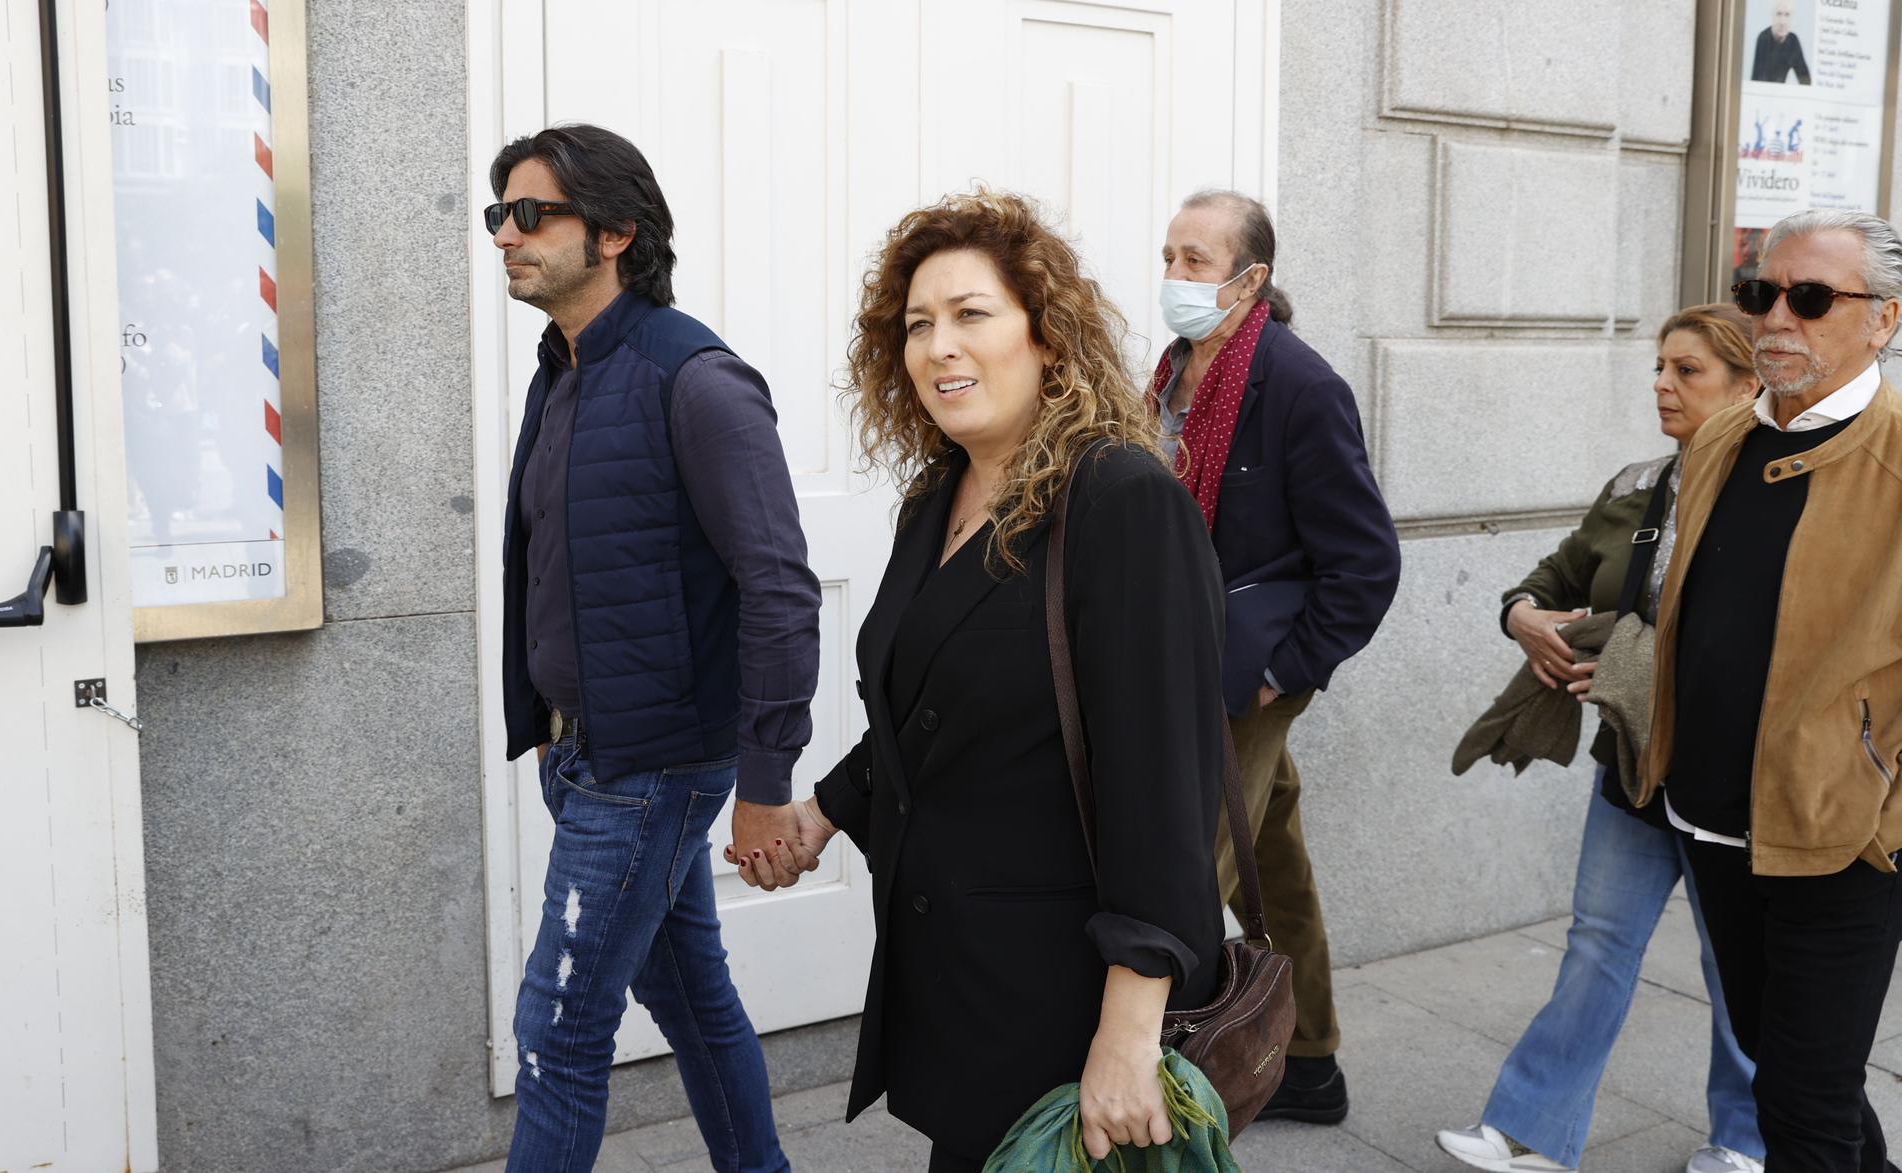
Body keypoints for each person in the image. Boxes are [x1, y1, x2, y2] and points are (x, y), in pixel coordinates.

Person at [730, 190, 1229, 1173]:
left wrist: (1127, 1034)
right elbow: (927, 711)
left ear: (1047, 338)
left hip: (1062, 992)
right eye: (916, 325)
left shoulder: (1119, 499)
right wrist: (822, 811)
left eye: (970, 315)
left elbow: (1163, 783)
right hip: (958, 979)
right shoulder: (937, 494)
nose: (937, 347)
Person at [489, 123, 822, 1173]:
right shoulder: (565, 368)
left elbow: (778, 586)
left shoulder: (697, 381)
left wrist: (765, 780)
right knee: (688, 990)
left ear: (616, 231)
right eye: (498, 214)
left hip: (653, 766)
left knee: (556, 1031)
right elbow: (555, 569)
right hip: (583, 753)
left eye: (532, 213)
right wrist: (545, 728)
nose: (507, 233)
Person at [1435, 305, 1766, 1173]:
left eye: (1687, 370)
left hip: (1735, 779)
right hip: (1632, 764)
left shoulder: (1777, 495)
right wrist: (1524, 618)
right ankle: (1533, 1131)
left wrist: (1630, 657)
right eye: (1660, 366)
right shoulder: (1638, 483)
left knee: (1739, 965)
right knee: (1596, 944)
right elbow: (1551, 576)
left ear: (1748, 384)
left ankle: (1744, 1139)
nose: (1661, 383)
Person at [1636, 209, 1902, 1173]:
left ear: (1885, 319)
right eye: (1762, 294)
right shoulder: (1718, 443)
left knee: (1803, 1105)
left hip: (1841, 840)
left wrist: (1884, 803)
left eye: (1813, 297)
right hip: (1711, 820)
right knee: (1793, 1075)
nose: (1776, 318)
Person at [1149, 189, 1400, 1124]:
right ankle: (1308, 1061)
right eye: (1168, 255)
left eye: (1195, 261)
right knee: (1273, 856)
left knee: (1188, 870)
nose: (1173, 276)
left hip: (1245, 673)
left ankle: (1145, 1078)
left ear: (1251, 278)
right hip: (1182, 656)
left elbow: (1366, 561)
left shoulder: (1298, 385)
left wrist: (1283, 670)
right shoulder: (1175, 371)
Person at [1752, 0, 1811, 85]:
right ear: (1772, 14)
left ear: (1792, 17)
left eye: (1787, 15)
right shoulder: (1763, 39)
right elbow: (1757, 82)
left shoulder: (1793, 41)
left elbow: (1806, 80)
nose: (1782, 22)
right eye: (1779, 14)